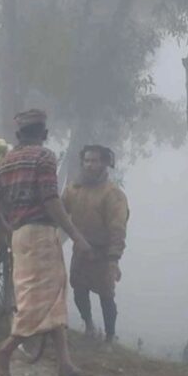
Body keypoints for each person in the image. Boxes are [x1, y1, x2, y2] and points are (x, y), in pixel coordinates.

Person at [0, 109, 93, 376]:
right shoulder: (44, 157)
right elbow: (50, 200)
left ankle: (65, 364)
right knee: (39, 299)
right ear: (44, 134)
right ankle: (5, 349)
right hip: (41, 234)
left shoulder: (6, 161)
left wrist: (5, 226)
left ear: (19, 134)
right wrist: (76, 234)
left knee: (54, 295)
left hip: (20, 234)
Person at [63, 145, 129, 343]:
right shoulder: (74, 189)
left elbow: (118, 228)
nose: (91, 165)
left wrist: (113, 259)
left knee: (106, 295)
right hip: (81, 250)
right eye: (87, 161)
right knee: (79, 289)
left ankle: (110, 336)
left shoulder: (113, 194)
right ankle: (89, 326)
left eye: (95, 161)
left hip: (103, 252)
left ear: (104, 163)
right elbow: (60, 211)